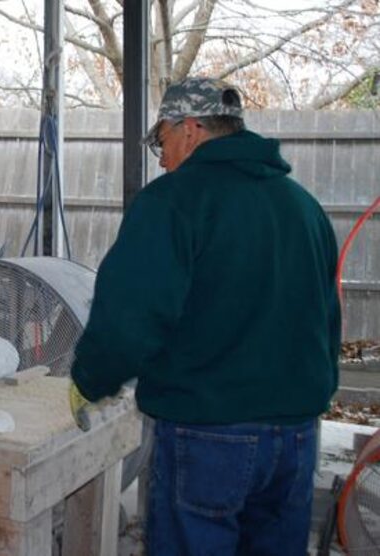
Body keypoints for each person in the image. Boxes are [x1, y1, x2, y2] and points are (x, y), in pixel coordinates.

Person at [70, 77, 340, 555]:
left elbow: (129, 316)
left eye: (162, 139)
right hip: (296, 437)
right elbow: (327, 320)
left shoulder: (172, 202)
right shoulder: (304, 207)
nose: (160, 154)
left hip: (209, 434)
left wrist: (90, 379)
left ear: (191, 129)